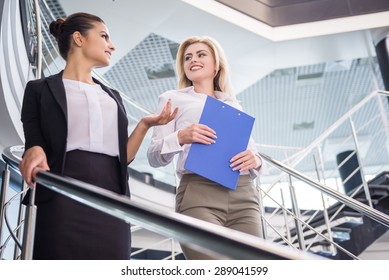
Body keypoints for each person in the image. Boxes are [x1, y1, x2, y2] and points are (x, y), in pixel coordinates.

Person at [18, 12, 177, 260]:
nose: (112, 45)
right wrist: (35, 149)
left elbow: (122, 157)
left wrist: (145, 125)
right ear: (79, 39)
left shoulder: (113, 96)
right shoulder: (39, 89)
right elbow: (34, 137)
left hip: (112, 198)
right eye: (104, 36)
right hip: (62, 194)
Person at [147, 35, 263, 259]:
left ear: (216, 65)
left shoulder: (233, 104)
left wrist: (256, 160)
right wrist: (180, 137)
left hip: (244, 194)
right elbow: (153, 156)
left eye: (201, 55)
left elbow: (253, 152)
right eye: (187, 57)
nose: (193, 60)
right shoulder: (172, 99)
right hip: (199, 193)